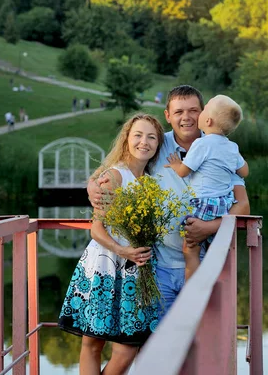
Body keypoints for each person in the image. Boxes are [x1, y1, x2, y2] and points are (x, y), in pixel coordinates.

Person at [88, 85, 250, 319]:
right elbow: (117, 167)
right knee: (158, 340)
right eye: (178, 111)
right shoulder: (155, 144)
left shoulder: (220, 148)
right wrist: (93, 184)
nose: (186, 117)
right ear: (168, 116)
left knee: (201, 339)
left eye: (193, 110)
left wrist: (208, 228)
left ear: (205, 114)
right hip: (157, 267)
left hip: (206, 263)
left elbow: (243, 205)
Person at [59, 113, 164, 375]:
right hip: (106, 267)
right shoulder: (115, 176)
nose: (144, 142)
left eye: (151, 137)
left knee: (127, 347)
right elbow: (96, 229)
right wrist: (123, 250)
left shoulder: (150, 181)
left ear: (158, 144)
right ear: (127, 139)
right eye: (138, 135)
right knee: (93, 342)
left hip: (134, 270)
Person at [165, 94, 249, 280]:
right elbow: (244, 171)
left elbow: (184, 171)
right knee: (216, 249)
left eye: (202, 110)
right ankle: (213, 281)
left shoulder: (201, 144)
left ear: (208, 120)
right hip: (224, 205)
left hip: (203, 204)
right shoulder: (232, 147)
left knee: (191, 248)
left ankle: (192, 286)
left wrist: (175, 164)